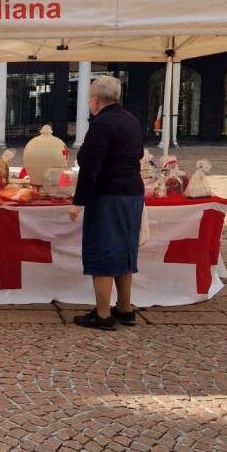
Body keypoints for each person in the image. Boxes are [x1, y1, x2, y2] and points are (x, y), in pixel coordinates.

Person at [69, 76, 144, 331]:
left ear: (96, 99)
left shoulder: (102, 124)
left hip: (108, 195)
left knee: (102, 250)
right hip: (132, 193)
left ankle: (102, 315)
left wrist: (78, 202)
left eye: (90, 97)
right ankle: (125, 309)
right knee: (125, 251)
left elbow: (90, 167)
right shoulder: (131, 120)